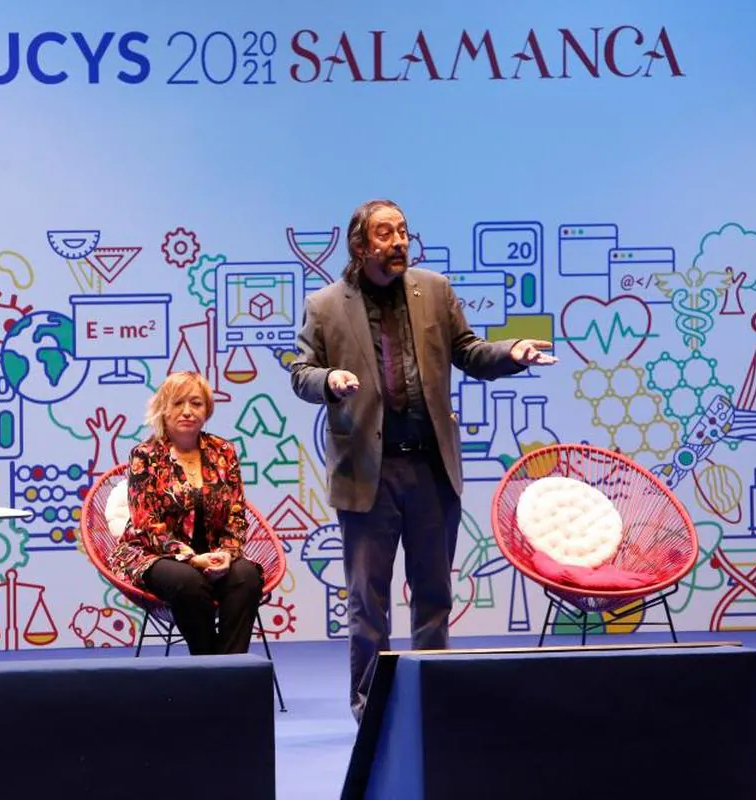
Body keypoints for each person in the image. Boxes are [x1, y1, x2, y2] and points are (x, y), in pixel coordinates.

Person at [290, 199, 557, 720]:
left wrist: (511, 353)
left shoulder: (433, 291)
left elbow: (469, 351)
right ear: (361, 245)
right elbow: (301, 372)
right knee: (368, 601)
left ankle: (430, 699)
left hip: (431, 469)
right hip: (369, 471)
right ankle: (371, 708)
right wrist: (330, 381)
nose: (398, 242)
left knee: (433, 592)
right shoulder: (325, 305)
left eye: (404, 232)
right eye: (385, 234)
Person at [108, 372, 263, 655]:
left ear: (207, 410)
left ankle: (230, 671)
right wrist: (192, 559)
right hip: (154, 553)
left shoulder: (224, 451)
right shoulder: (144, 455)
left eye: (196, 403)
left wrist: (228, 552)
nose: (188, 412)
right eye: (178, 403)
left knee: (247, 576)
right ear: (164, 408)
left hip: (214, 552)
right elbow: (146, 525)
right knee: (187, 581)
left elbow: (237, 515)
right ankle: (208, 666)